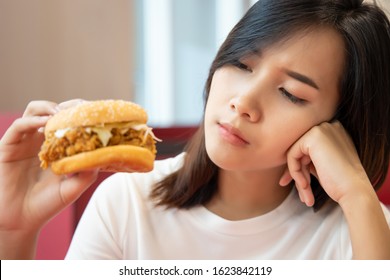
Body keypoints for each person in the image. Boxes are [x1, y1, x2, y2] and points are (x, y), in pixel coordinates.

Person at [1, 0, 390, 260]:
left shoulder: (364, 230)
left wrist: (358, 196)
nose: (243, 102)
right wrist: (14, 231)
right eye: (241, 64)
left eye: (290, 93)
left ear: (339, 125)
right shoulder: (127, 203)